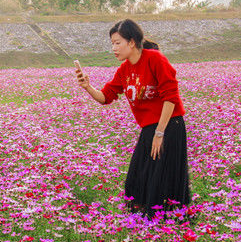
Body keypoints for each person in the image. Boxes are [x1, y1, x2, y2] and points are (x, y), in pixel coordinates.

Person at [76, 19, 191, 216]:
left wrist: (160, 132)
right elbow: (105, 97)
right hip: (149, 129)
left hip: (169, 125)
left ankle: (168, 223)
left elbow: (171, 97)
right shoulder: (124, 70)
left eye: (117, 42)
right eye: (112, 43)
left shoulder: (154, 59)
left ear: (131, 42)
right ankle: (148, 223)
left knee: (160, 179)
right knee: (137, 180)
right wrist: (87, 87)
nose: (114, 48)